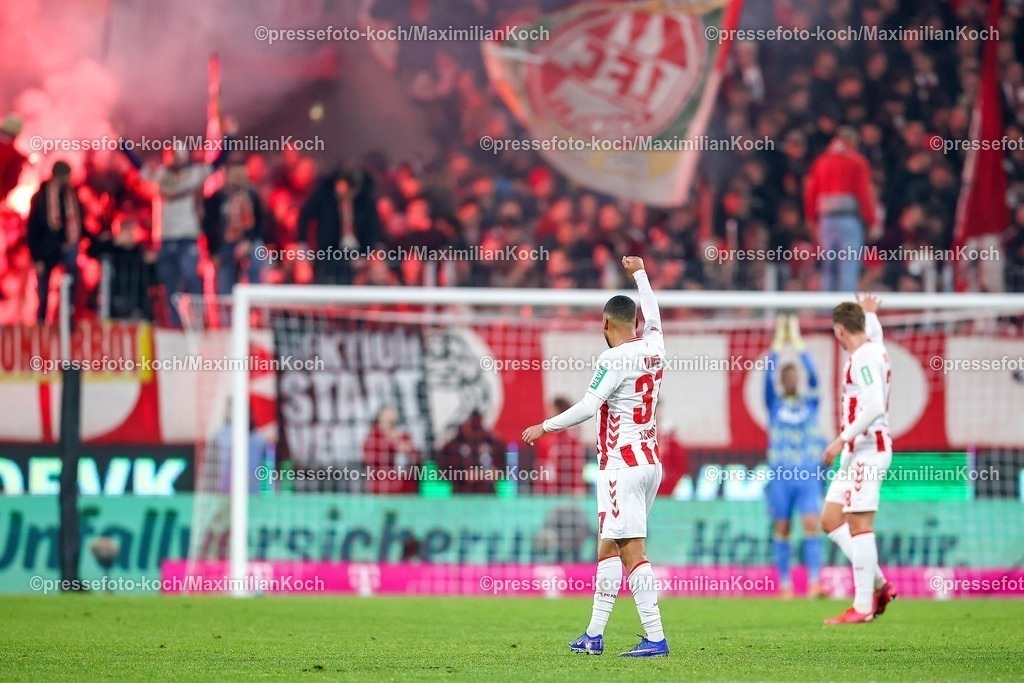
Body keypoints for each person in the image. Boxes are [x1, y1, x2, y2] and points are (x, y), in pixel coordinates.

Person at [522, 256, 668, 658]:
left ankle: (655, 637)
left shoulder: (612, 358)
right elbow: (653, 312)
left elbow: (588, 406)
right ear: (635, 322)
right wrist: (641, 271)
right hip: (650, 463)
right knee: (608, 547)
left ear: (606, 324)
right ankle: (593, 636)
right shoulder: (655, 345)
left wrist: (545, 426)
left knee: (632, 550)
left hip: (621, 466)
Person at [820, 294, 897, 624]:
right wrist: (870, 312)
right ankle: (879, 583)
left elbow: (876, 404)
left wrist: (840, 440)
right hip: (856, 454)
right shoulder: (873, 345)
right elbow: (873, 331)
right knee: (830, 519)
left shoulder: (863, 358)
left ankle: (864, 605)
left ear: (839, 331)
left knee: (860, 525)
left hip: (867, 451)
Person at [764, 314, 826, 598]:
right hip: (780, 476)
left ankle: (814, 582)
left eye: (794, 375)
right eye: (785, 376)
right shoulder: (774, 402)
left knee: (812, 525)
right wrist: (778, 342)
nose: (791, 379)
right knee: (783, 528)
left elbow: (815, 376)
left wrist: (798, 342)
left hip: (807, 475)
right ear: (782, 380)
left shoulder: (810, 401)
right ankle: (785, 584)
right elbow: (767, 375)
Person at [803, 127, 876, 292]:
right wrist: (872, 221)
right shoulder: (857, 162)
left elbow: (811, 193)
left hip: (826, 221)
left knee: (828, 269)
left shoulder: (821, 162)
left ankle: (826, 314)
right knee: (848, 268)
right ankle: (846, 313)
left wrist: (811, 220)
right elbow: (864, 193)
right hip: (849, 221)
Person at [27, 161, 82, 323]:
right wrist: (36, 256)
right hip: (46, 249)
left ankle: (68, 317)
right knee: (43, 286)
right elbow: (33, 228)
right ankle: (41, 320)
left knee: (72, 277)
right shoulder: (41, 197)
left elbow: (77, 220)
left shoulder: (70, 195)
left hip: (66, 246)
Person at [202, 160, 268, 295]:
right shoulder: (217, 198)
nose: (239, 178)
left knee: (258, 255)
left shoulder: (252, 195)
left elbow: (260, 222)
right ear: (227, 175)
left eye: (241, 174)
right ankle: (228, 312)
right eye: (235, 174)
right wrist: (213, 253)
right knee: (225, 281)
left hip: (249, 242)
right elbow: (209, 226)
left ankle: (256, 301)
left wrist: (249, 241)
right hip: (225, 244)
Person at [436, 411, 506, 494]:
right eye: (472, 425)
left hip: (487, 496)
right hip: (461, 495)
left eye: (476, 426)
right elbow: (441, 472)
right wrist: (462, 475)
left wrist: (495, 472)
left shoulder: (493, 443)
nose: (474, 431)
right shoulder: (453, 446)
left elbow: (505, 469)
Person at [362, 405, 420, 494]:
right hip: (381, 489)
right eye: (387, 415)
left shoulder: (403, 436)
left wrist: (406, 449)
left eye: (392, 415)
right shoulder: (373, 437)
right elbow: (371, 459)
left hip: (404, 490)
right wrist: (393, 444)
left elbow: (416, 456)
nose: (390, 418)